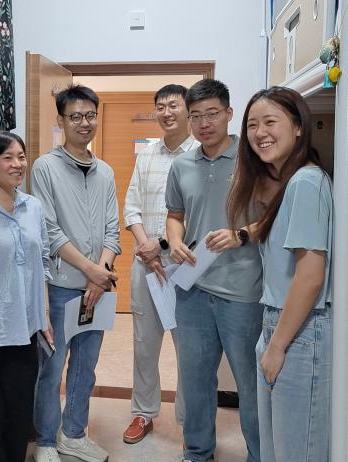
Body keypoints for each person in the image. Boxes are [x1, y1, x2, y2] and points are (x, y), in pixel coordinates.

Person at [227, 86, 332, 462]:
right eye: (252, 125)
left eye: (270, 122)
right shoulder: (291, 183)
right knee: (275, 449)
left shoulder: (306, 182)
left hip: (299, 330)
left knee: (295, 451)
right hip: (279, 324)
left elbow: (310, 277)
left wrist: (276, 346)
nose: (260, 133)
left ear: (299, 126)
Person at [165, 79, 263, 462]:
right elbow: (175, 214)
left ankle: (260, 454)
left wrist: (242, 235)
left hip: (242, 292)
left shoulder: (253, 158)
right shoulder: (181, 165)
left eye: (212, 114)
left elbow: (275, 215)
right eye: (196, 116)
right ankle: (198, 451)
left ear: (228, 113)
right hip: (192, 288)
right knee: (195, 380)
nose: (204, 123)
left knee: (250, 384)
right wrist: (174, 240)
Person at [32, 84, 120, 462]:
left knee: (86, 368)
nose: (84, 123)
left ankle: (73, 433)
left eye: (90, 115)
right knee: (52, 369)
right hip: (61, 287)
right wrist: (91, 272)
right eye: (76, 116)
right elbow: (50, 231)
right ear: (61, 120)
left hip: (98, 289)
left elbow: (113, 231)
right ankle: (45, 440)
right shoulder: (44, 167)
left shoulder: (106, 172)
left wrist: (101, 274)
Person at [122, 84, 199, 444]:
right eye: (161, 107)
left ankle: (189, 420)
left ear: (188, 109)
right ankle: (143, 412)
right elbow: (131, 207)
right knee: (144, 344)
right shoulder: (147, 155)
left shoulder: (201, 154)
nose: (166, 113)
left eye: (173, 105)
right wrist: (145, 247)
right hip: (146, 267)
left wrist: (163, 245)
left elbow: (201, 215)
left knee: (190, 348)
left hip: (187, 267)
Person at [0, 131, 52, 462]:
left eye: (21, 156)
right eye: (8, 157)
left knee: (19, 414)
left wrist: (44, 316)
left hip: (26, 328)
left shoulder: (34, 207)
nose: (18, 164)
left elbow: (42, 262)